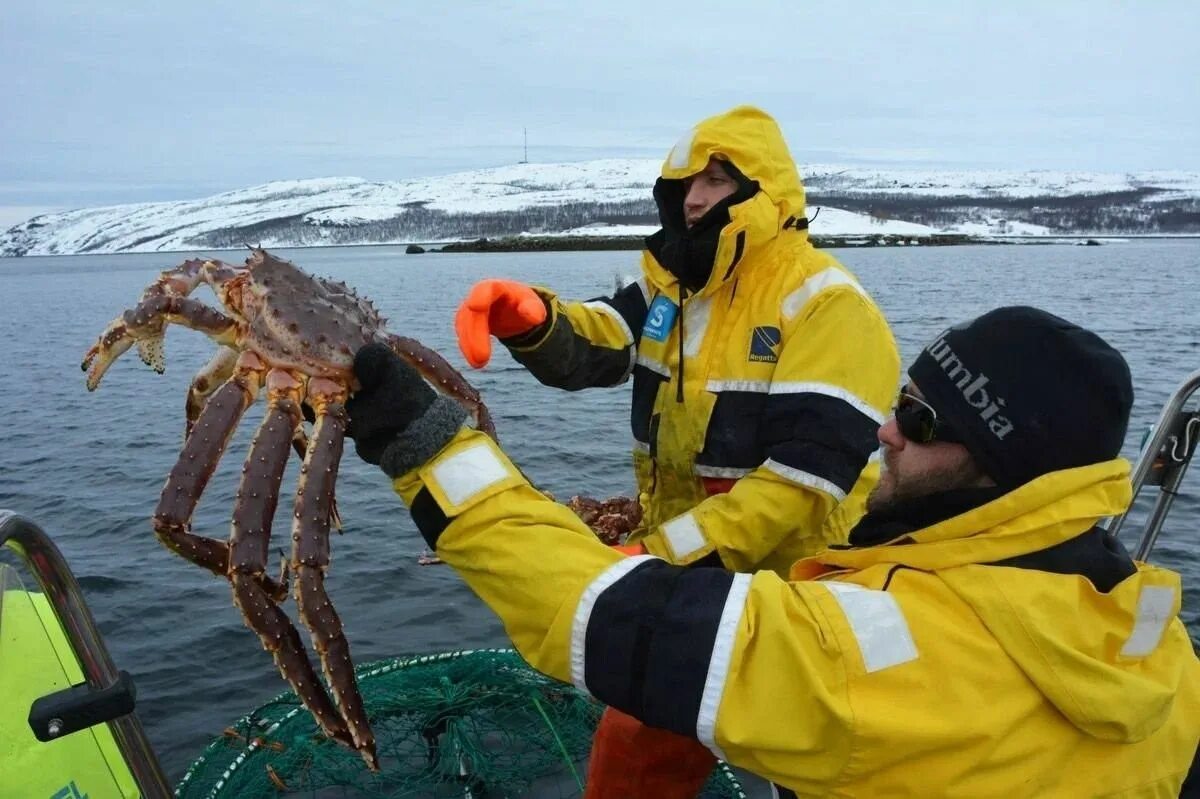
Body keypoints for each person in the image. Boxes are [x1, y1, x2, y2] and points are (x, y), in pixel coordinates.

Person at [345, 305, 1200, 797]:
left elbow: (609, 617)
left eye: (923, 422)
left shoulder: (873, 669)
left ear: (1002, 474)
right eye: (903, 399)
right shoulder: (1150, 622)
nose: (885, 429)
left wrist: (427, 447)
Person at [453, 105, 900, 794]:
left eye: (718, 179)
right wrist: (536, 318)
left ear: (766, 192)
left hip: (804, 597)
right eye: (686, 180)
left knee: (823, 770)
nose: (693, 196)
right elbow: (606, 337)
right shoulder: (673, 290)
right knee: (634, 754)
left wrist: (655, 558)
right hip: (688, 575)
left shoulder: (826, 306)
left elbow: (795, 490)